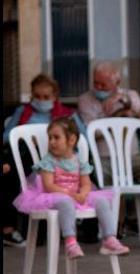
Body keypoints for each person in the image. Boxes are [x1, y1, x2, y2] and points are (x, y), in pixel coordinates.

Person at [12, 117, 129, 258]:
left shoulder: (79, 160)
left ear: (71, 140)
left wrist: (84, 194)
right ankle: (70, 242)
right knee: (65, 201)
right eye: (50, 138)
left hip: (75, 194)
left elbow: (86, 183)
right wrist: (69, 194)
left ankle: (109, 239)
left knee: (102, 201)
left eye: (56, 137)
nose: (51, 142)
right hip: (55, 195)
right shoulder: (48, 161)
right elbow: (48, 186)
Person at [2, 74, 83, 247]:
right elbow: (7, 136)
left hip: (60, 161)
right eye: (37, 97)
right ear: (31, 95)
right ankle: (9, 229)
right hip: (28, 156)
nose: (41, 101)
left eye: (46, 97)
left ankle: (86, 231)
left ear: (55, 97)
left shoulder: (67, 115)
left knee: (85, 173)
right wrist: (26, 136)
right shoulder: (22, 112)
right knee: (10, 173)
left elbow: (83, 138)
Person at [77, 61, 140, 186]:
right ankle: (113, 206)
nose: (98, 88)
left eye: (103, 84)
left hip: (132, 156)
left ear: (117, 83)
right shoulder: (85, 100)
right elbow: (93, 132)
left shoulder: (129, 94)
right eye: (95, 83)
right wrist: (118, 115)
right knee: (101, 178)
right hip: (104, 158)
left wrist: (122, 99)